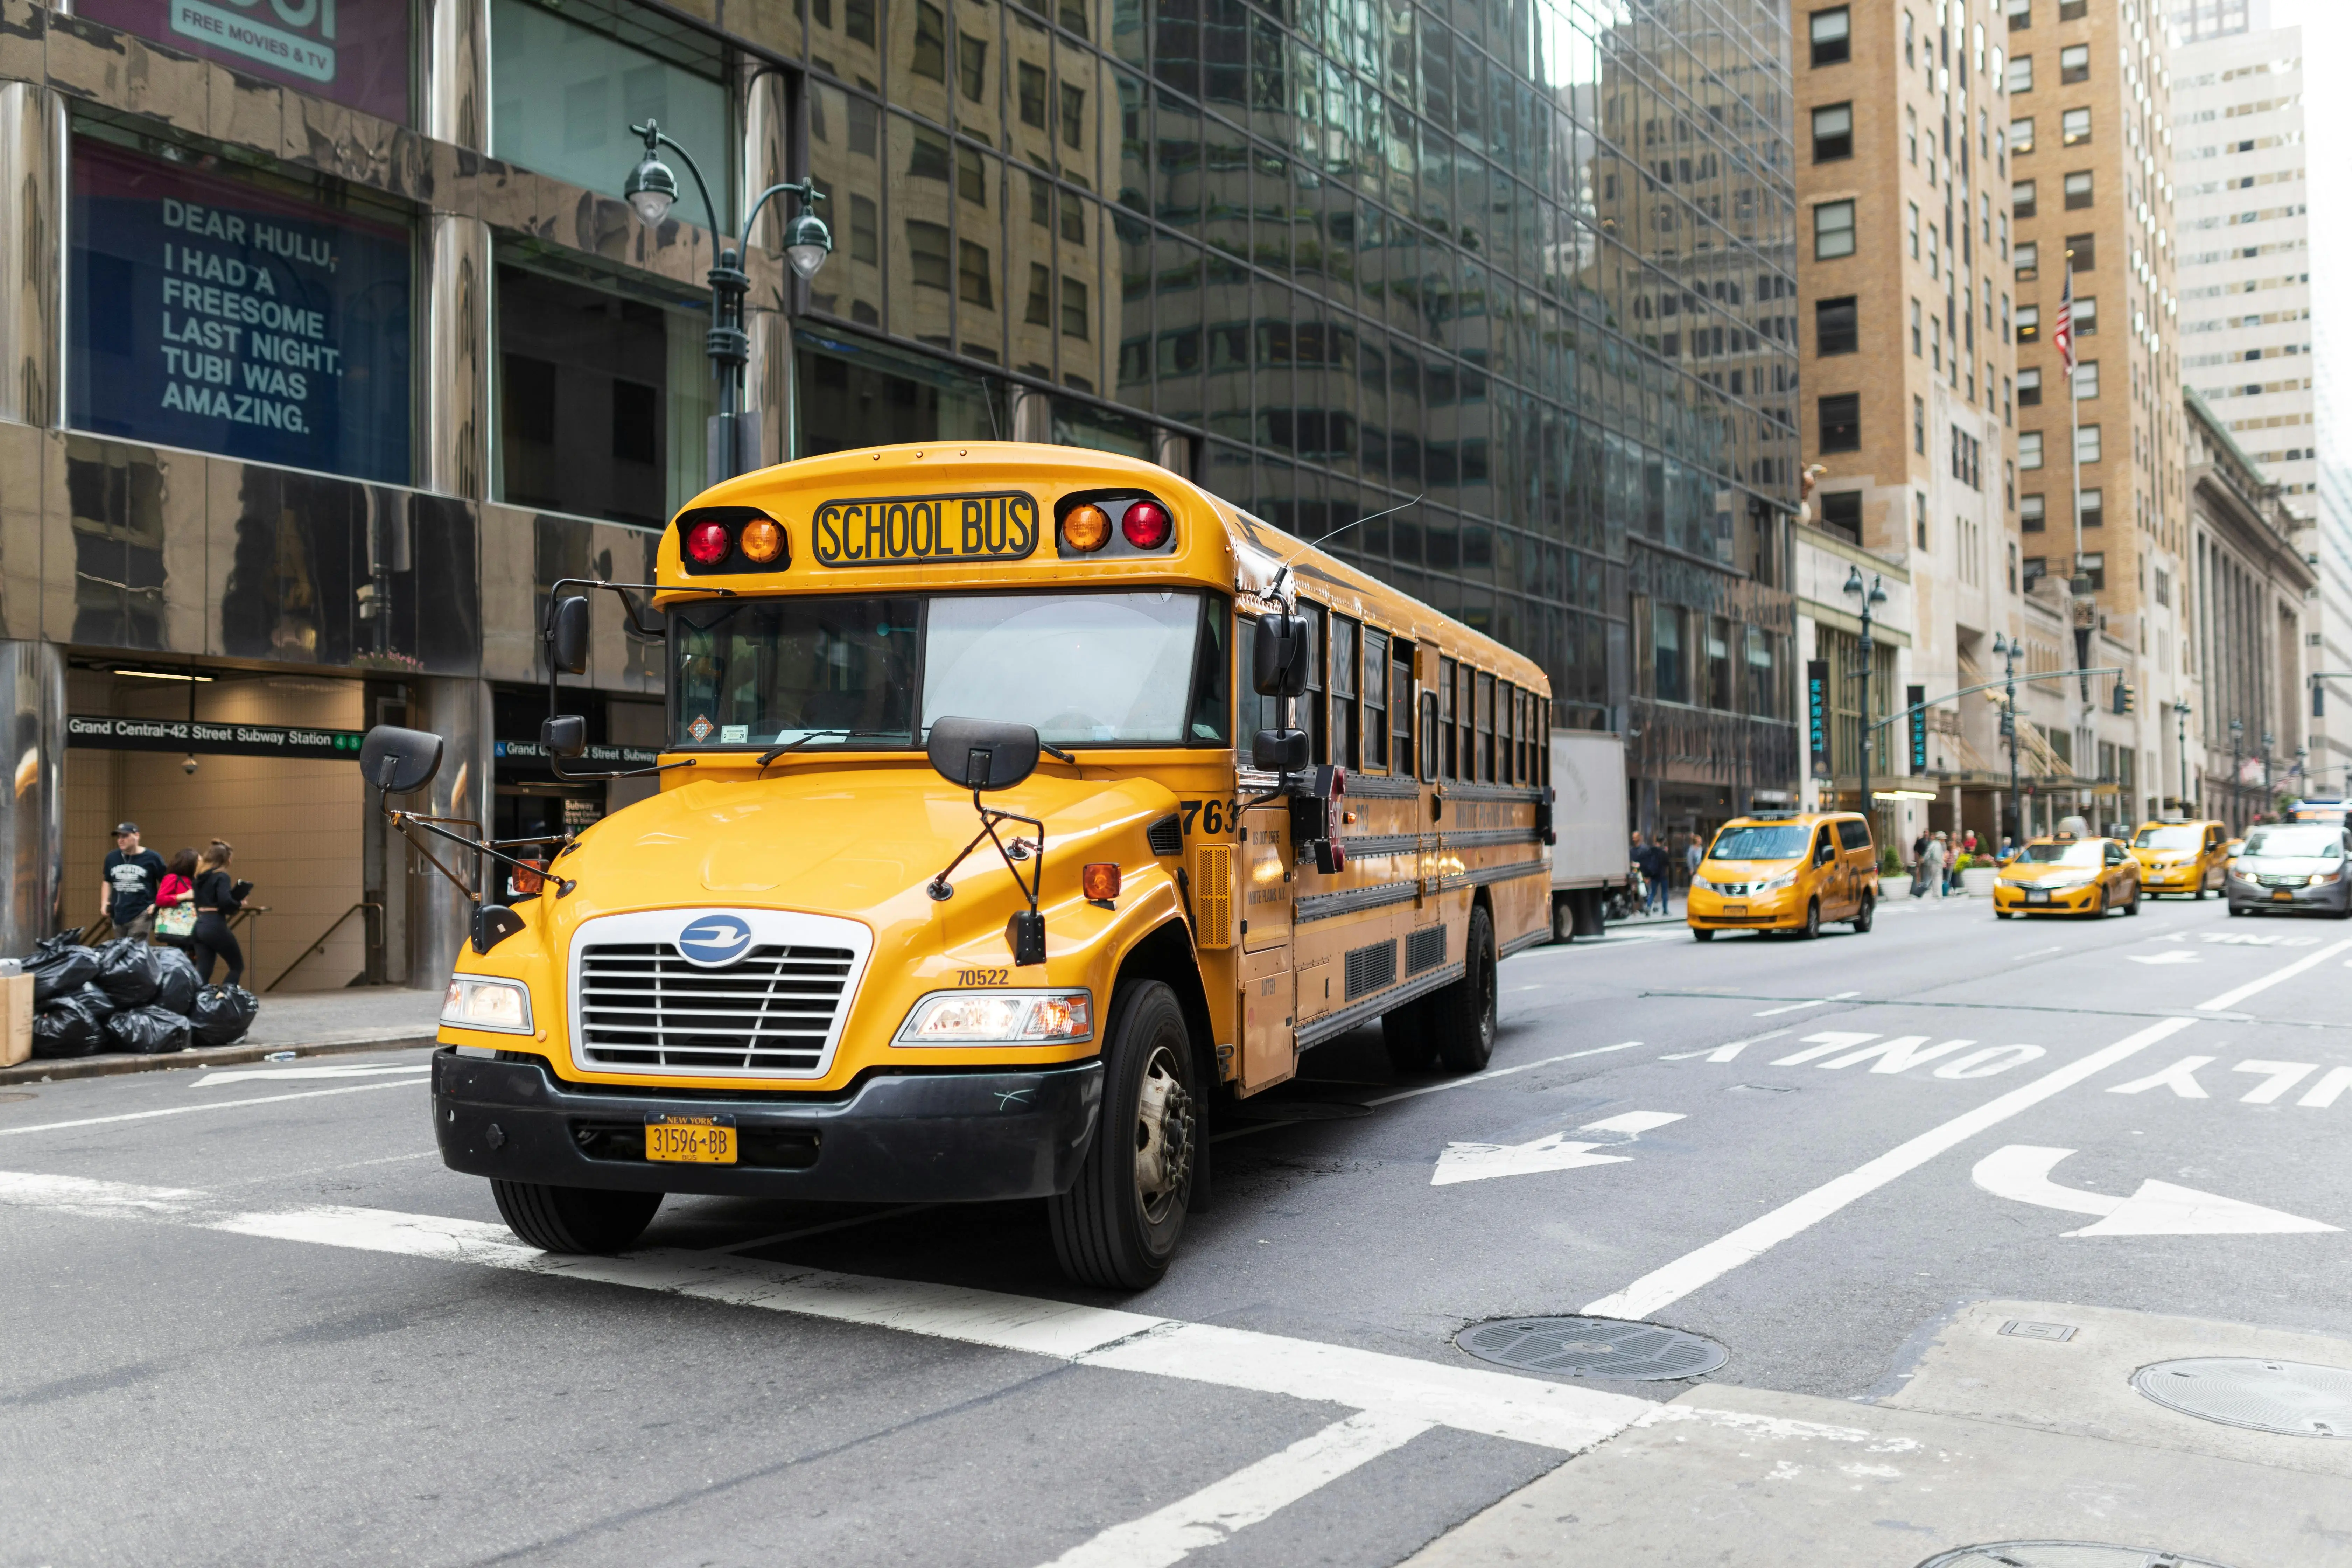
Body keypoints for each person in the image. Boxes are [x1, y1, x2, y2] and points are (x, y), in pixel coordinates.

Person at [186, 839, 249, 989]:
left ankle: (197, 1005)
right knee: (237, 966)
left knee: (204, 972)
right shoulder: (222, 876)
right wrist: (239, 903)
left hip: (199, 926)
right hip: (215, 925)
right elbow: (225, 902)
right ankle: (226, 1000)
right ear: (227, 859)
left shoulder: (198, 878)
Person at [101, 823, 166, 942]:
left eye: (125, 836)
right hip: (118, 912)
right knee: (120, 949)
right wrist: (104, 902)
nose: (121, 840)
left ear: (137, 836)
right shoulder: (112, 857)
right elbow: (107, 881)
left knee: (135, 950)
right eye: (119, 837)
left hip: (142, 911)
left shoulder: (152, 858)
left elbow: (166, 882)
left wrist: (157, 903)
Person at [153, 848, 200, 947]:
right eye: (199, 861)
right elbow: (160, 899)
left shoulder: (195, 881)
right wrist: (184, 896)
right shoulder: (173, 878)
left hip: (193, 930)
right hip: (177, 930)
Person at [1920, 831, 1948, 900]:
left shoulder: (1933, 844)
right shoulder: (1938, 845)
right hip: (1937, 864)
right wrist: (1943, 862)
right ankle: (1939, 895)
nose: (1944, 840)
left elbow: (1928, 854)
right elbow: (1937, 856)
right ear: (1941, 838)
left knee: (1934, 879)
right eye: (1943, 838)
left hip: (1931, 864)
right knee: (1938, 879)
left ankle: (1935, 894)